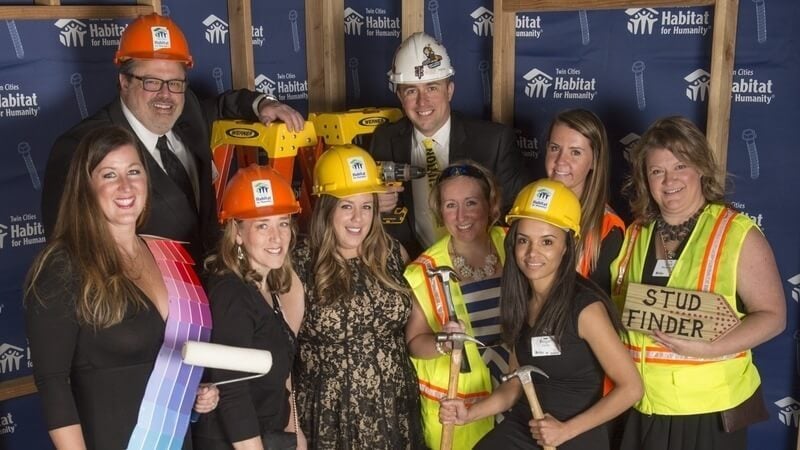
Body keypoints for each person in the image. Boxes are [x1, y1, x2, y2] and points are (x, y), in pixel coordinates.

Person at [42, 13, 304, 263]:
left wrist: (263, 104)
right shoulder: (80, 149)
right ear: (124, 81)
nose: (165, 95)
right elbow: (68, 256)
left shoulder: (187, 108)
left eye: (175, 82)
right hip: (149, 302)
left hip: (212, 292)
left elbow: (225, 105)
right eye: (152, 82)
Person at [24, 125, 218, 450]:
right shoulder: (62, 265)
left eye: (134, 171)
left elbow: (158, 361)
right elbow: (52, 383)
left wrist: (192, 392)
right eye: (109, 175)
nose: (126, 186)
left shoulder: (164, 253)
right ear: (85, 187)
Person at [610, 116, 786, 450]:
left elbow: (773, 316)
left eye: (680, 167)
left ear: (701, 168)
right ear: (645, 179)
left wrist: (710, 348)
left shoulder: (736, 233)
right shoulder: (634, 234)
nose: (669, 180)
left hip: (709, 414)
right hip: (641, 406)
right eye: (657, 171)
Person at [440, 179, 642, 450]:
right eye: (524, 240)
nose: (532, 253)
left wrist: (564, 431)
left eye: (547, 241)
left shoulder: (585, 309)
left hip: (577, 432)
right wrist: (470, 413)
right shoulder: (519, 298)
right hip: (526, 424)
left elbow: (632, 388)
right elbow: (514, 386)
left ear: (567, 246)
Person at [292, 145, 425, 449]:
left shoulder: (392, 252)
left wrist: (447, 342)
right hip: (330, 416)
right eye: (346, 206)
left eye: (367, 206)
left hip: (395, 409)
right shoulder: (299, 263)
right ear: (327, 207)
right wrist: (292, 426)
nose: (358, 218)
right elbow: (283, 353)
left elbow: (416, 334)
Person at [370, 32, 533, 258]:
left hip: (482, 268)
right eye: (411, 90)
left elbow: (519, 217)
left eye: (432, 88)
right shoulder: (384, 140)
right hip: (412, 273)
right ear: (399, 96)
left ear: (450, 90)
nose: (422, 101)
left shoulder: (493, 142)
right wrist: (372, 205)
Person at [192, 165, 306, 449]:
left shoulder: (267, 284)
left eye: (283, 222)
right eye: (262, 225)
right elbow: (232, 392)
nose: (277, 237)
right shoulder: (231, 293)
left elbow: (281, 375)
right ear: (238, 233)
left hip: (272, 434)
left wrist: (296, 432)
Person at [404, 161, 509, 449]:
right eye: (450, 205)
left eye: (471, 202)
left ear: (490, 203)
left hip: (516, 399)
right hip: (459, 412)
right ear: (439, 210)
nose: (461, 216)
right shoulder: (424, 269)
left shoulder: (515, 245)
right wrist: (442, 343)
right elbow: (414, 342)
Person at [544, 109, 624, 293]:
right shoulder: (526, 209)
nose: (561, 161)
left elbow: (597, 305)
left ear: (595, 160)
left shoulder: (608, 228)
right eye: (555, 148)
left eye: (575, 152)